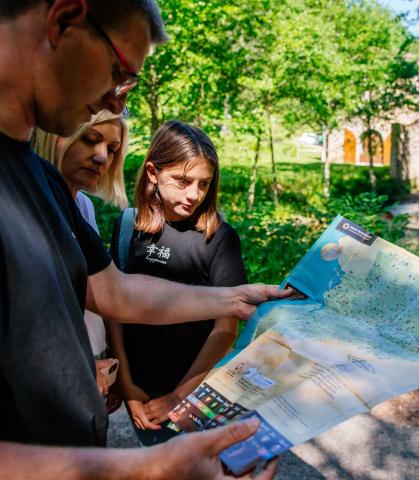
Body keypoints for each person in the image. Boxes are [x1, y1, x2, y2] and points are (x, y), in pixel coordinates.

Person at [0, 1, 284, 478]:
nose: (116, 101)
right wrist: (146, 469)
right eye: (119, 71)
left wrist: (234, 299)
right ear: (64, 19)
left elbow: (115, 291)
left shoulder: (43, 181)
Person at [108, 120, 247, 445]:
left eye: (203, 184)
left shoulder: (219, 238)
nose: (193, 194)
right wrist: (127, 386)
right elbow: (113, 310)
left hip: (194, 395)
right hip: (140, 391)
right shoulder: (128, 226)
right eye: (183, 181)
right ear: (153, 172)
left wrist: (180, 396)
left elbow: (225, 330)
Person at [33, 110, 129, 398]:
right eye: (89, 139)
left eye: (112, 150)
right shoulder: (27, 204)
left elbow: (108, 293)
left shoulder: (83, 207)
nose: (102, 157)